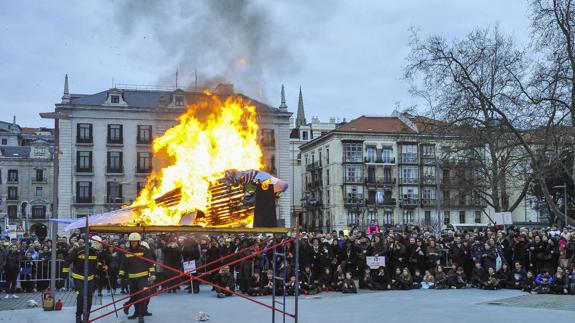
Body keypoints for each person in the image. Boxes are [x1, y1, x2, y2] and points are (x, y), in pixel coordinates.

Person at [62, 235, 103, 323]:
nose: (99, 247)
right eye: (98, 244)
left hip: (90, 278)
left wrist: (102, 266)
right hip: (78, 278)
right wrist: (64, 276)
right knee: (81, 297)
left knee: (89, 297)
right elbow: (67, 261)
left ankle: (86, 317)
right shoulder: (78, 250)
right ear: (93, 243)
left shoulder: (95, 253)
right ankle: (78, 316)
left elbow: (98, 263)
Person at [118, 233, 156, 323]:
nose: (133, 243)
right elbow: (123, 265)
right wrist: (120, 276)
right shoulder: (127, 252)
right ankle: (135, 312)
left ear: (138, 242)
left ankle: (140, 315)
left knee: (142, 295)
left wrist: (152, 274)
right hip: (132, 278)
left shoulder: (144, 250)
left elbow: (150, 263)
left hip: (143, 277)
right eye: (132, 242)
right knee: (134, 295)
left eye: (135, 241)